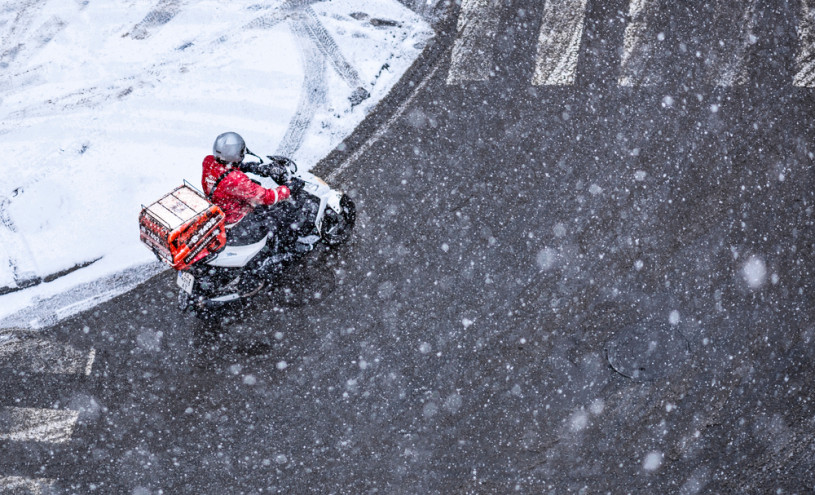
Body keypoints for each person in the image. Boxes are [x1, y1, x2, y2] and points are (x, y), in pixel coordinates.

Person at [201, 131, 300, 246]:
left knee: (255, 186)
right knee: (278, 213)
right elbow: (267, 197)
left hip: (222, 205)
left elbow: (225, 170)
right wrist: (288, 188)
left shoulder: (208, 161)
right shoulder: (236, 180)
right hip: (235, 219)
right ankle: (285, 246)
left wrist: (253, 167)